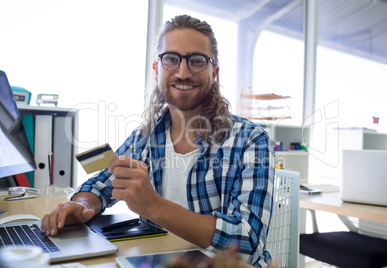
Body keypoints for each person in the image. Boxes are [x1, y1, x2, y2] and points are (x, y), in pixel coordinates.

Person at [41, 14, 275, 267]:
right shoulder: (145, 137)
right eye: (171, 59)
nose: (183, 73)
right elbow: (100, 185)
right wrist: (80, 205)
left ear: (214, 71)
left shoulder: (251, 140)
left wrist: (154, 206)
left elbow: (247, 243)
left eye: (196, 61)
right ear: (157, 69)